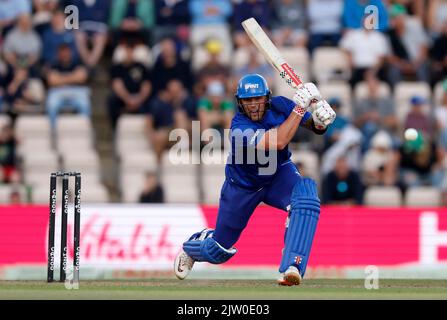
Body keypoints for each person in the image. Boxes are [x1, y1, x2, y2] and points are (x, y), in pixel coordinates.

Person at [174, 74, 336, 285]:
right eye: (247, 100)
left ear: (267, 98)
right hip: (243, 186)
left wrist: (322, 118)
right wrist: (299, 107)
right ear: (240, 102)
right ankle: (193, 247)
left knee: (306, 198)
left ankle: (293, 266)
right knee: (219, 250)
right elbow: (279, 141)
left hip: (278, 174)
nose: (253, 105)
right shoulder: (238, 127)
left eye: (257, 98)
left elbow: (315, 127)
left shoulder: (280, 105)